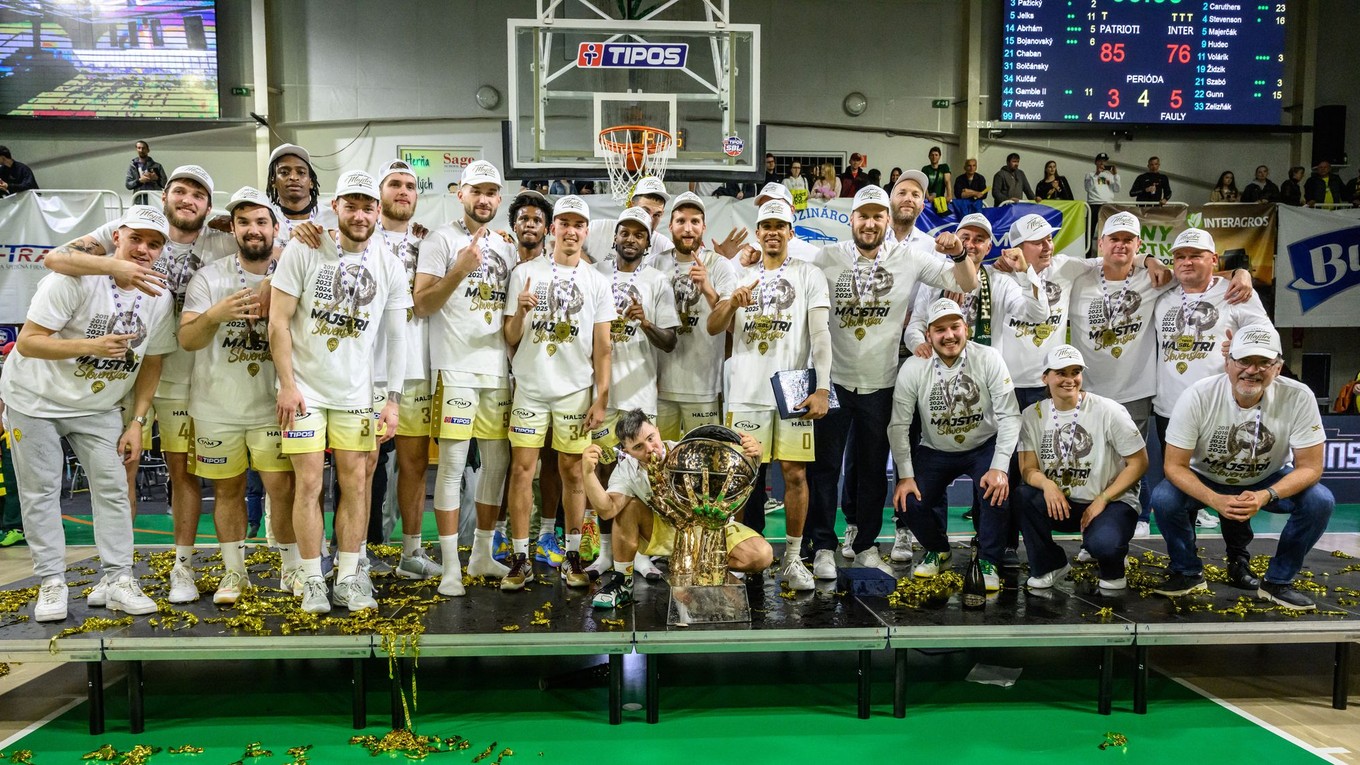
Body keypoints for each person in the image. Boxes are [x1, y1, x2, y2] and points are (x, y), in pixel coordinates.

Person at [45, 164, 236, 603]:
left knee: (182, 471)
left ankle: (182, 569)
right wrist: (116, 266)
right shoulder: (124, 228)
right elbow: (56, 258)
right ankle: (117, 573)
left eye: (199, 196)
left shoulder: (221, 237)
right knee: (117, 473)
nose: (188, 201)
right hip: (118, 371)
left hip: (182, 374)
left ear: (210, 206)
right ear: (164, 194)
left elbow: (266, 245)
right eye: (181, 191)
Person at [2, 206, 174, 621]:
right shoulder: (72, 278)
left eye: (154, 244)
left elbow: (152, 360)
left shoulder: (160, 295)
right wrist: (91, 347)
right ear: (118, 236)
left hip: (97, 406)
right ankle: (51, 583)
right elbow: (28, 343)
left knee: (113, 489)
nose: (144, 250)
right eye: (137, 239)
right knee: (41, 491)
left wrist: (137, 420)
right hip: (34, 399)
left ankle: (118, 578)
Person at [805, 186, 975, 578]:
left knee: (869, 470)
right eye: (862, 215)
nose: (869, 223)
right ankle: (823, 548)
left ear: (887, 220)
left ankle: (865, 545)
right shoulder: (826, 258)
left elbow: (964, 283)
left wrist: (960, 253)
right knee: (826, 470)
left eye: (877, 216)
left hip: (882, 383)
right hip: (832, 382)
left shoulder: (911, 257)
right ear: (851, 220)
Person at [270, 170, 411, 613]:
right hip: (306, 393)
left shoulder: (388, 261)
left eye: (368, 206)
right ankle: (312, 577)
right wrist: (288, 385)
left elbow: (398, 336)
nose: (360, 214)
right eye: (351, 205)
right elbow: (278, 322)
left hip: (356, 395)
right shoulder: (305, 247)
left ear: (377, 211)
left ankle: (349, 575)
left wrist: (392, 401)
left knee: (355, 485)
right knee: (308, 483)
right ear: (335, 207)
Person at [1152, 324, 1333, 611]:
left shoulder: (1299, 396)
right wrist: (1213, 499)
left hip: (1267, 478)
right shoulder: (1198, 395)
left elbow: (1311, 467)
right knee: (1164, 498)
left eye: (1264, 362)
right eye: (1244, 361)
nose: (1252, 370)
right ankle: (1186, 572)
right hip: (1207, 477)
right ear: (1228, 363)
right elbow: (1174, 466)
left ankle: (1277, 582)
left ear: (1278, 367)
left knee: (1320, 500)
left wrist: (1266, 495)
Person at [708, 199, 832, 590]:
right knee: (741, 476)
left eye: (781, 225)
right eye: (767, 226)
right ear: (758, 233)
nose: (774, 232)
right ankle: (740, 555)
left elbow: (821, 335)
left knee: (794, 474)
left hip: (792, 389)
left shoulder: (809, 274)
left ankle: (793, 561)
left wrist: (823, 387)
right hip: (745, 391)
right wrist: (731, 302)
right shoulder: (736, 272)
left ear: (790, 233)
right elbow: (714, 328)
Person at [179, 186, 293, 604]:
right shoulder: (210, 276)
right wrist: (216, 313)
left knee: (282, 489)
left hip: (272, 406)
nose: (253, 230)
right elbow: (187, 339)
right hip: (217, 407)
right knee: (227, 491)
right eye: (243, 222)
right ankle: (234, 573)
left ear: (275, 228)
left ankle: (293, 568)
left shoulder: (291, 271)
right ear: (232, 228)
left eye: (261, 221)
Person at [502, 195, 617, 591]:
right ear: (553, 229)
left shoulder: (597, 281)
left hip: (574, 391)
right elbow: (510, 337)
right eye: (564, 223)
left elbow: (603, 347)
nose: (571, 231)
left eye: (578, 224)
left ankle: (571, 557)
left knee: (573, 473)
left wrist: (601, 398)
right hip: (530, 388)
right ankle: (521, 558)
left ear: (586, 231)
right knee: (522, 471)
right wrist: (520, 312)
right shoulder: (524, 273)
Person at [414, 161, 517, 594]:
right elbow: (422, 304)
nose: (485, 199)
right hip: (454, 368)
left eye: (493, 192)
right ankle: (451, 565)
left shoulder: (507, 247)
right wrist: (460, 268)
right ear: (461, 192)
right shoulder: (440, 239)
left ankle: (481, 553)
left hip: (497, 370)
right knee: (453, 465)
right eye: (478, 190)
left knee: (498, 464)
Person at [889, 298, 1020, 590]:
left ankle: (988, 559)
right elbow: (898, 425)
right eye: (940, 330)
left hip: (983, 445)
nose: (949, 335)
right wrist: (906, 476)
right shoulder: (913, 367)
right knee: (907, 499)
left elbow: (1010, 416)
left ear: (966, 329)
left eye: (955, 327)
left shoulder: (988, 357)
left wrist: (999, 467)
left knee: (996, 489)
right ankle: (939, 549)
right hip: (934, 450)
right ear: (928, 336)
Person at [580, 410, 773, 607]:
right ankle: (623, 582)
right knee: (629, 509)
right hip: (670, 530)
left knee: (762, 555)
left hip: (713, 526)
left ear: (657, 430)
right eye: (638, 447)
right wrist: (587, 473)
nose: (650, 449)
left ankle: (707, 566)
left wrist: (754, 453)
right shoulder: (627, 469)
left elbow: (733, 468)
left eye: (650, 438)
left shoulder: (688, 451)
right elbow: (607, 510)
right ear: (627, 450)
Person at [588, 207, 679, 578]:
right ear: (616, 238)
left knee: (644, 477)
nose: (630, 239)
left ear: (647, 241)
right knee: (606, 470)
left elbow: (671, 341)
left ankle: (640, 553)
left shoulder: (657, 280)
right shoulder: (595, 276)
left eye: (638, 234)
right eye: (624, 232)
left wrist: (645, 321)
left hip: (640, 394)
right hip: (601, 395)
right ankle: (606, 552)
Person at [1017, 345, 1147, 591]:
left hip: (1110, 502)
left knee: (1107, 558)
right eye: (1061, 373)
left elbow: (1140, 462)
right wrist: (1047, 484)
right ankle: (1050, 564)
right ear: (1045, 377)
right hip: (1064, 504)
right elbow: (1027, 469)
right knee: (1023, 497)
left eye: (1075, 372)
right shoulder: (1031, 415)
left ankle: (1113, 562)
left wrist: (1103, 498)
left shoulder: (1108, 410)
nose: (1069, 379)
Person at [652, 193, 734, 442]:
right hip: (659, 388)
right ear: (671, 226)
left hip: (705, 388)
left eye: (695, 221)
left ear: (704, 227)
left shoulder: (720, 265)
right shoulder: (654, 264)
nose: (688, 229)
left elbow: (727, 324)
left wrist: (708, 288)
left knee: (704, 465)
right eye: (681, 221)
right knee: (660, 463)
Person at [584, 175, 674, 262]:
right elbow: (571, 243)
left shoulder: (664, 246)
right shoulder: (598, 228)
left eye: (657, 215)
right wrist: (589, 270)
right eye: (645, 211)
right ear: (631, 206)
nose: (649, 220)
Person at [266, 143, 332, 244]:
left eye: (301, 172)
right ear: (273, 181)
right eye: (284, 172)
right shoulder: (265, 221)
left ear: (311, 182)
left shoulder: (333, 218)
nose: (293, 177)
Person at [921, 146, 953, 213]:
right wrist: (928, 197)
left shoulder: (944, 167)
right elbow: (924, 183)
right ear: (929, 156)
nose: (934, 157)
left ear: (939, 156)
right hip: (929, 200)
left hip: (940, 199)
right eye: (932, 155)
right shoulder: (925, 169)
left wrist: (949, 196)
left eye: (936, 155)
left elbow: (947, 181)